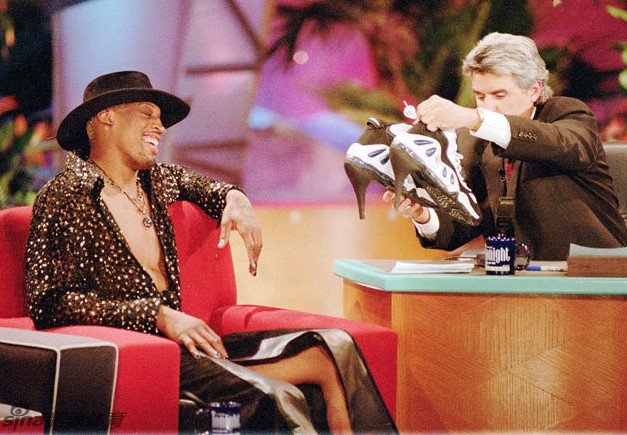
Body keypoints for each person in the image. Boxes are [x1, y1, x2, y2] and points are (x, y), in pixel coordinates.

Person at [25, 71, 396, 433]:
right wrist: (157, 315)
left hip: (189, 348)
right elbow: (48, 303)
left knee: (333, 349)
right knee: (278, 395)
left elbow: (210, 189)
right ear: (107, 117)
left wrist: (237, 199)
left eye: (160, 118)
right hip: (141, 355)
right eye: (147, 113)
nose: (159, 126)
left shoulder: (157, 181)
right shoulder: (65, 196)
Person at [386, 32, 627, 260]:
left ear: (534, 90)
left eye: (499, 95)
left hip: (594, 274)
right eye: (480, 96)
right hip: (514, 277)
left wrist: (473, 118)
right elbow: (466, 220)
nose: (487, 107)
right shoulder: (473, 142)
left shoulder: (569, 115)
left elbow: (558, 143)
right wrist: (425, 215)